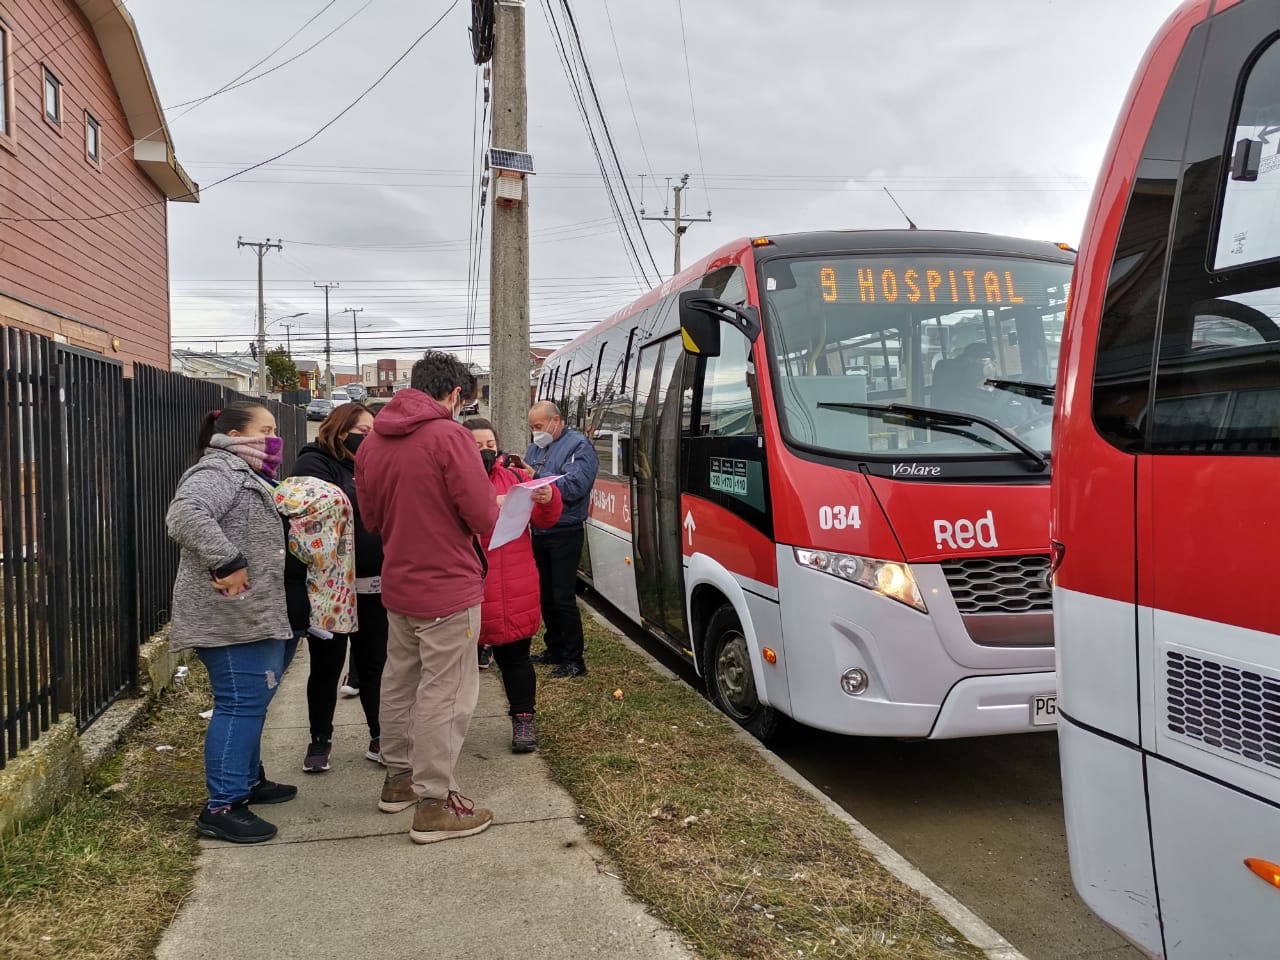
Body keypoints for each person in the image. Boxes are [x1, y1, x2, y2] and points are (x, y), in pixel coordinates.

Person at [355, 352, 500, 844]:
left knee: (399, 680)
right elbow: (482, 516)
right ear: (456, 395)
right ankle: (435, 801)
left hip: (399, 584)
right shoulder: (450, 437)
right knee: (448, 692)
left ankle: (398, 781)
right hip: (448, 586)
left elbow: (371, 521)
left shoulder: (373, 442)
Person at [166, 402, 296, 844]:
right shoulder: (217, 471)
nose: (275, 437)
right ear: (237, 434)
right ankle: (222, 806)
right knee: (239, 702)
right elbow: (184, 516)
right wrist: (228, 559)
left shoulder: (248, 473)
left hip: (252, 613)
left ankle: (248, 780)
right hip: (228, 616)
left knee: (253, 702)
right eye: (267, 429)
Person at [284, 403, 388, 774]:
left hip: (374, 584)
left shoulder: (374, 465)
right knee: (326, 667)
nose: (370, 438)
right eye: (364, 431)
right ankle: (320, 739)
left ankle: (380, 736)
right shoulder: (313, 464)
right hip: (330, 588)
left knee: (375, 664)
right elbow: (318, 514)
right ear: (341, 432)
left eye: (374, 432)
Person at [464, 418, 563, 752]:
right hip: (467, 586)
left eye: (490, 445)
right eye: (476, 446)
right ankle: (449, 727)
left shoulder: (518, 478)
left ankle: (523, 717)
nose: (485, 452)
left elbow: (545, 520)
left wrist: (548, 497)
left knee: (516, 658)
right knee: (455, 667)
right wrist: (491, 504)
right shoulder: (451, 482)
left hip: (512, 585)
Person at [524, 401, 599, 678]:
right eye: (532, 428)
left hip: (565, 530)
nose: (536, 433)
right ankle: (554, 648)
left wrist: (539, 479)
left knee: (563, 596)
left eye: (539, 427)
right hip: (539, 530)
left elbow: (577, 485)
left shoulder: (579, 447)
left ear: (556, 421)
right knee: (545, 594)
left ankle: (574, 659)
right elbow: (528, 479)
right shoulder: (536, 448)